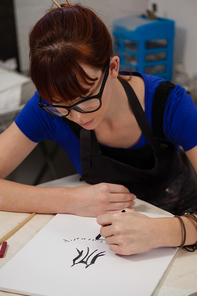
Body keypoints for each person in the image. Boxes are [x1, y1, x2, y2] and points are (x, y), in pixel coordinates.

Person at [0, 0, 197, 255]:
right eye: (61, 105)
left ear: (112, 67)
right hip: (106, 241)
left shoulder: (169, 105)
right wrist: (70, 200)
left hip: (182, 225)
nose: (77, 116)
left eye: (86, 98)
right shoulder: (46, 109)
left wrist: (168, 231)